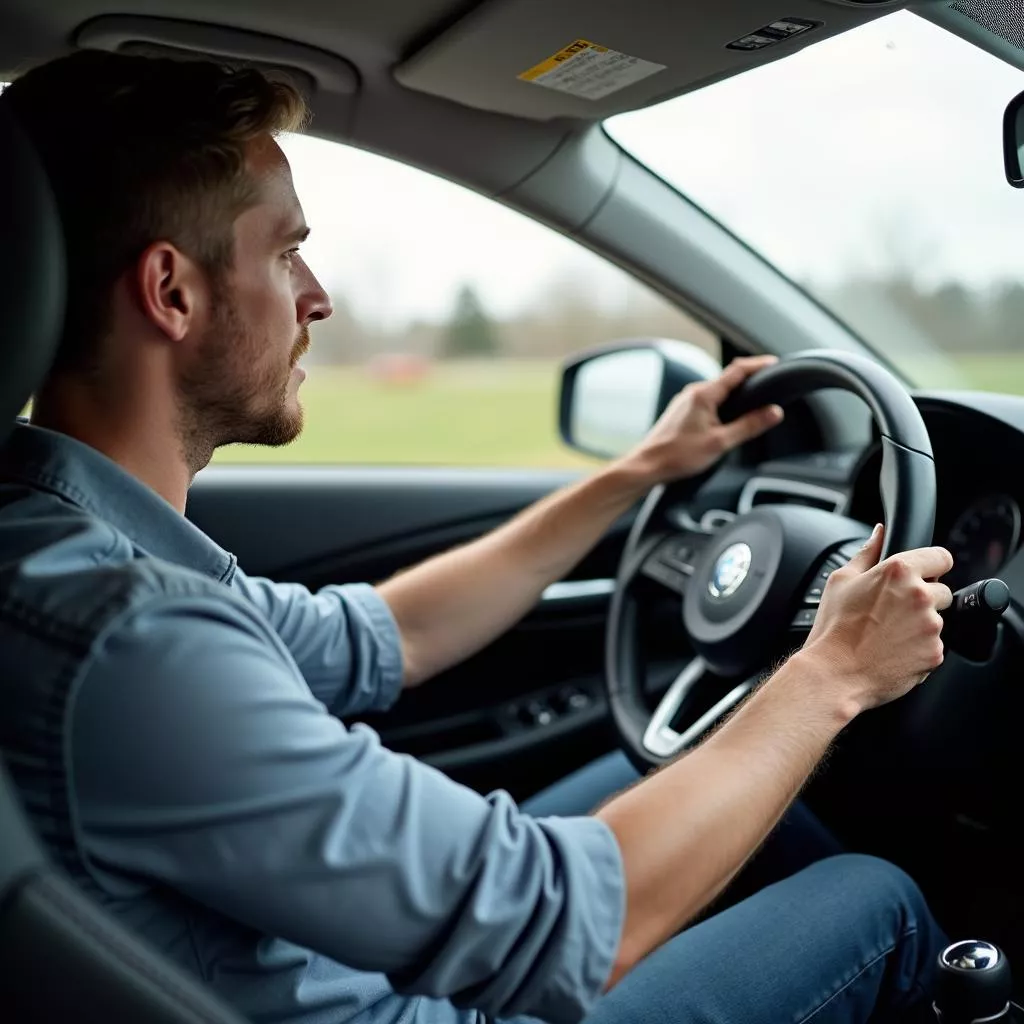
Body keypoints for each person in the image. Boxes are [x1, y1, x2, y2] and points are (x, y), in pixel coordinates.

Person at [0, 50, 953, 1024]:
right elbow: (580, 922)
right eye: (286, 252)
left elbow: (389, 635)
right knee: (874, 900)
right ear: (170, 290)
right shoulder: (130, 643)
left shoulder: (60, 549)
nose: (318, 296)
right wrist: (832, 671)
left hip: (338, 962)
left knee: (701, 782)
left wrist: (636, 474)